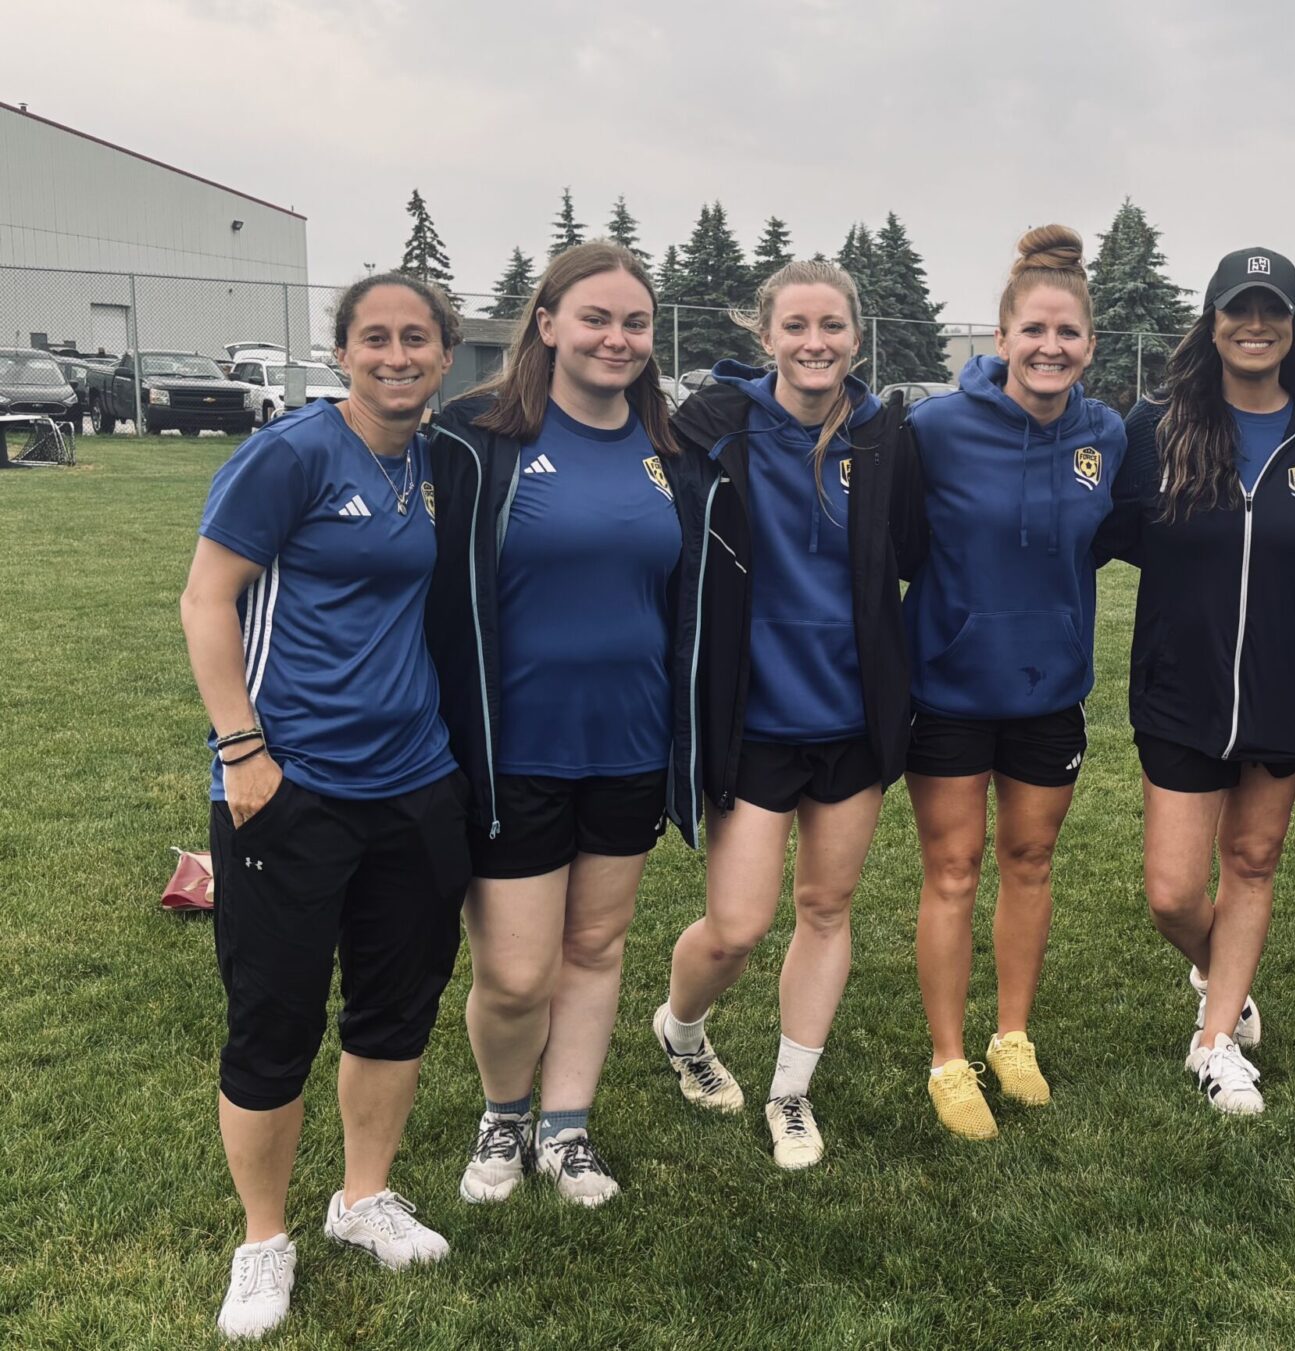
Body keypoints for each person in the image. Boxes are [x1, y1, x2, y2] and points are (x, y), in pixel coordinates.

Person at [181, 274, 469, 1340]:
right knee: (274, 1021)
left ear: (444, 355)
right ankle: (263, 1239)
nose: (397, 355)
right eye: (374, 337)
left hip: (415, 782)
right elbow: (205, 597)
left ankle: (362, 1197)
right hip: (289, 788)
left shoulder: (434, 463)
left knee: (396, 1006)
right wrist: (242, 750)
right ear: (341, 352)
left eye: (416, 338)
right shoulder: (292, 453)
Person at [651, 259, 925, 1170]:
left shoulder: (885, 438)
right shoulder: (707, 431)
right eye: (797, 326)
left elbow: (914, 552)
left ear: (857, 337)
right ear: (764, 335)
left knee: (826, 906)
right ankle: (682, 1031)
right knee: (735, 927)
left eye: (832, 326)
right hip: (752, 721)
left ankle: (790, 1094)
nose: (815, 343)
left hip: (852, 720)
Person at [427, 241, 682, 1208]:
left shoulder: (671, 449)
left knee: (596, 946)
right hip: (511, 750)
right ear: (547, 325)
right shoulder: (477, 437)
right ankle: (504, 1110)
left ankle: (565, 1128)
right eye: (596, 318)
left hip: (630, 742)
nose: (617, 338)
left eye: (635, 322)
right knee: (515, 973)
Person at [1100, 247, 1295, 1116]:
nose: (1255, 324)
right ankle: (1223, 979)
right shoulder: (1156, 427)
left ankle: (1215, 1044)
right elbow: (1106, 533)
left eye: (1271, 309)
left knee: (1252, 860)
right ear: (1210, 324)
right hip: (1180, 687)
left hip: (1286, 684)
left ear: (1293, 324)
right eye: (1238, 308)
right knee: (1173, 893)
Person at [899, 226, 1126, 1140]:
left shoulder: (1105, 434)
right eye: (1034, 330)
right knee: (953, 870)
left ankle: (1013, 1037)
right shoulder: (935, 430)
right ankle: (948, 1059)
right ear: (1001, 338)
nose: (1050, 347)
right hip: (950, 687)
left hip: (1050, 689)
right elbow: (898, 544)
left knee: (1029, 862)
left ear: (1090, 344)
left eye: (1067, 332)